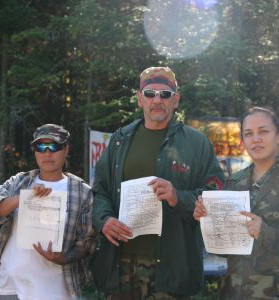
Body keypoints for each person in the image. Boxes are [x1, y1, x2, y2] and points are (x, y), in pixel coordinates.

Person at [91, 66, 225, 299]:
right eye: (150, 93)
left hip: (174, 266)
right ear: (140, 99)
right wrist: (104, 220)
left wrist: (178, 197)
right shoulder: (119, 140)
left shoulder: (196, 143)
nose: (157, 100)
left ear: (176, 100)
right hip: (122, 265)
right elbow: (100, 192)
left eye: (165, 95)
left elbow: (216, 194)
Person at [194, 106, 279, 299]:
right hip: (239, 291)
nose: (256, 139)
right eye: (249, 134)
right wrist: (208, 221)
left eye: (263, 131)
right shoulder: (235, 182)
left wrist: (268, 233)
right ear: (242, 141)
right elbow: (229, 249)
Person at [0, 124, 94, 300]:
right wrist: (23, 198)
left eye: (54, 146)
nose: (47, 153)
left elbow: (87, 241)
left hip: (54, 290)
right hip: (10, 286)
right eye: (41, 147)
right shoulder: (19, 181)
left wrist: (62, 258)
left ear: (66, 149)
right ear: (34, 151)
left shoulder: (82, 191)